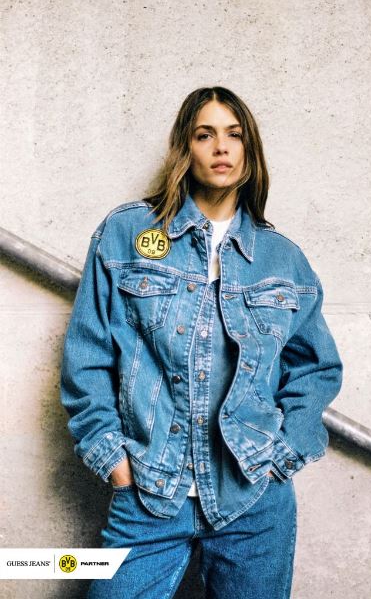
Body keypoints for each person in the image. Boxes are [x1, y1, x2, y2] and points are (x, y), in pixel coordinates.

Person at [60, 86, 343, 599]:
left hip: (253, 499)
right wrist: (114, 460)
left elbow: (316, 369)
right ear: (185, 148)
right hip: (149, 490)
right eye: (205, 135)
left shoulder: (282, 259)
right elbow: (88, 356)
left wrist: (280, 456)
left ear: (250, 150)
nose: (221, 147)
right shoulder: (126, 234)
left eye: (234, 135)